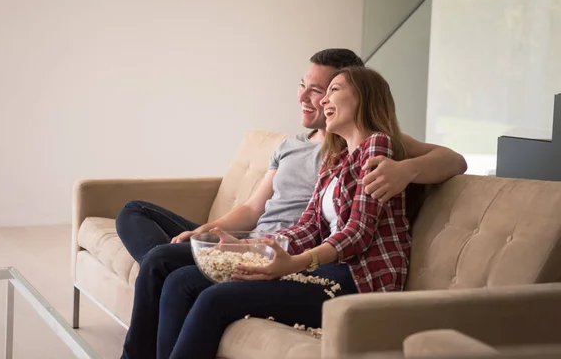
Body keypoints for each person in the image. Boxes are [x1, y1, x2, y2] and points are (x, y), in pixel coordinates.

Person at [116, 49, 467, 359]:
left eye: (331, 90)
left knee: (211, 298)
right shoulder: (335, 160)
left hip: (358, 281)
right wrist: (245, 248)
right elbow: (309, 226)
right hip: (321, 267)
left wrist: (292, 263)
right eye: (315, 90)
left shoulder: (379, 146)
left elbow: (357, 233)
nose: (319, 100)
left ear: (362, 96)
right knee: (180, 281)